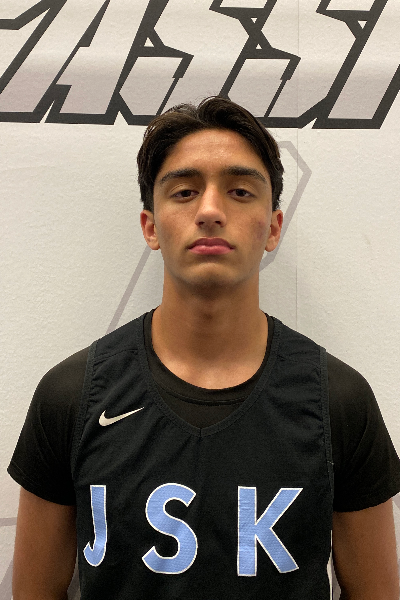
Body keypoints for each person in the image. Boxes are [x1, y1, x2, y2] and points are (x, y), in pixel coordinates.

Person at [8, 96, 400, 600]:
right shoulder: (70, 397)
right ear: (151, 226)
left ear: (273, 227)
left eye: (239, 191)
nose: (211, 211)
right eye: (185, 192)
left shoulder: (339, 402)